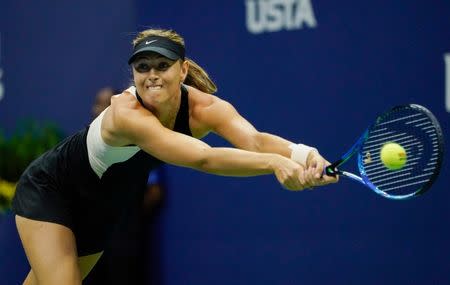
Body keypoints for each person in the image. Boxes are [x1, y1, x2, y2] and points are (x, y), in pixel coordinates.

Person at [12, 28, 338, 284]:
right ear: (134, 74)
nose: (152, 74)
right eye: (143, 67)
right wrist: (276, 164)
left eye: (162, 65)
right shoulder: (126, 113)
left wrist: (305, 155)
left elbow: (253, 140)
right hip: (51, 192)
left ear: (182, 71)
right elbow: (203, 158)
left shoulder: (204, 109)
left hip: (99, 211)